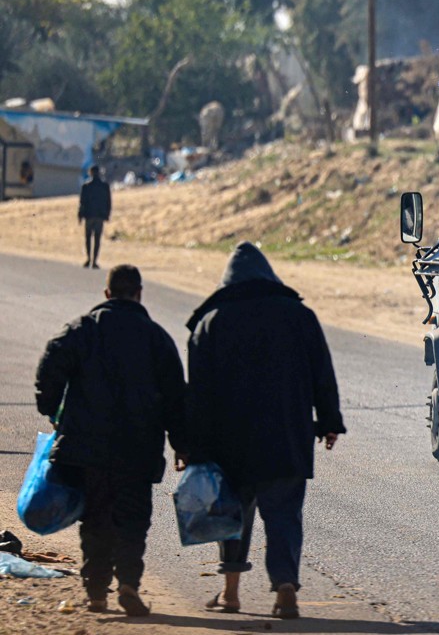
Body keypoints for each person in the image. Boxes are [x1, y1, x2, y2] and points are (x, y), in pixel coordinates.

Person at [185, 243, 345, 621]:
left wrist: (192, 446)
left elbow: (197, 393)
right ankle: (286, 587)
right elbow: (322, 372)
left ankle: (231, 594)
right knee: (284, 515)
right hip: (287, 436)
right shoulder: (299, 316)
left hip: (229, 443)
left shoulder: (211, 321)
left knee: (231, 516)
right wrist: (330, 422)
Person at [34, 265, 185, 616]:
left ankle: (97, 593)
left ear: (107, 294)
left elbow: (50, 363)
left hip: (87, 449)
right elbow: (176, 397)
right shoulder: (156, 338)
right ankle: (129, 583)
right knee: (133, 521)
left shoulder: (83, 329)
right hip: (138, 450)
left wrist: (51, 409)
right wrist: (182, 443)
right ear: (139, 293)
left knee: (95, 520)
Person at [78, 164, 112, 269]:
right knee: (97, 238)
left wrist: (80, 215)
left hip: (89, 215)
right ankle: (94, 260)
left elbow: (82, 203)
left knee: (88, 238)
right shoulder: (104, 186)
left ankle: (89, 258)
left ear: (90, 173)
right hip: (100, 216)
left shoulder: (86, 186)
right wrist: (107, 214)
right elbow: (108, 202)